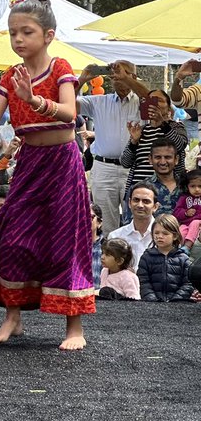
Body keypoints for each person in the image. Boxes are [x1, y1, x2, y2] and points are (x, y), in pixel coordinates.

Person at [0, 0, 94, 350]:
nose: (18, 39)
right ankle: (13, 316)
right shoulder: (11, 76)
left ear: (48, 35)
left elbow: (69, 112)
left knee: (65, 240)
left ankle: (74, 326)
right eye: (13, 33)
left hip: (62, 164)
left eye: (26, 32)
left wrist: (34, 99)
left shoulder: (61, 68)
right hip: (30, 165)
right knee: (12, 237)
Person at [77, 61, 147, 234]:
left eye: (121, 73)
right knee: (106, 224)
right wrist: (82, 79)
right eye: (113, 74)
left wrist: (128, 79)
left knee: (137, 221)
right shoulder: (100, 102)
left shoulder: (142, 103)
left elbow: (155, 100)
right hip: (104, 167)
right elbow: (67, 103)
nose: (116, 78)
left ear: (133, 76)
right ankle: (107, 258)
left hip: (134, 167)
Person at [137, 215, 193, 302]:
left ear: (175, 236)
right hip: (151, 306)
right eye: (156, 233)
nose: (160, 236)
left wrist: (176, 300)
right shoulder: (146, 257)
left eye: (165, 233)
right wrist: (153, 301)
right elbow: (144, 282)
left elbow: (188, 283)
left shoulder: (184, 259)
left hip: (178, 306)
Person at [112, 183, 158, 270]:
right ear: (129, 203)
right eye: (136, 200)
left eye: (146, 201)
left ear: (155, 206)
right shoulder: (116, 237)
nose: (140, 205)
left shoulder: (167, 236)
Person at [143, 139, 183, 216]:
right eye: (158, 157)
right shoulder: (142, 189)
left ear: (176, 159)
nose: (163, 162)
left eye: (168, 157)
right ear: (150, 159)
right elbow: (132, 224)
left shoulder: (189, 186)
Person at [173, 168, 201, 248]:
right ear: (187, 186)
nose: (197, 189)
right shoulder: (184, 198)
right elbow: (176, 212)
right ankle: (179, 250)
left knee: (194, 223)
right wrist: (185, 212)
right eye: (192, 186)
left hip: (199, 225)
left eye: (200, 186)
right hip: (186, 224)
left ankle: (187, 247)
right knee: (181, 231)